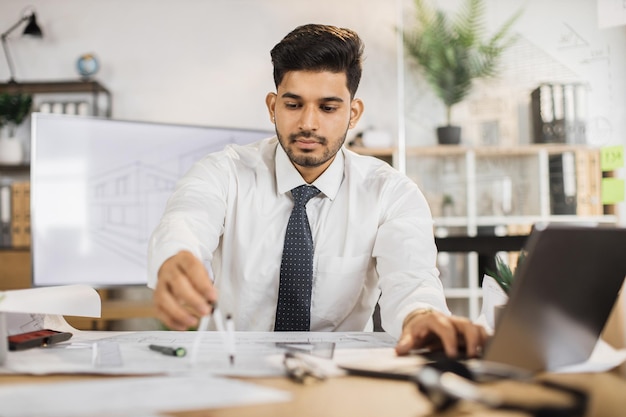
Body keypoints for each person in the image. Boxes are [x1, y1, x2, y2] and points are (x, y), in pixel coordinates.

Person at [148, 23, 487, 358]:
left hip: (340, 377)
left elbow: (412, 279)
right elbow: (187, 217)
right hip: (234, 367)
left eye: (328, 107)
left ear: (353, 114)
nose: (308, 123)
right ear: (272, 107)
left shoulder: (390, 193)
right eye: (293, 105)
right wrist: (177, 255)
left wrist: (422, 316)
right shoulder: (224, 172)